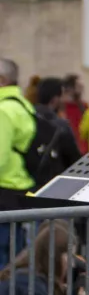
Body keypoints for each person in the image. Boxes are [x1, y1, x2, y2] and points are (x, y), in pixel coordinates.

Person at [0, 58, 35, 268]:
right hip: (19, 187)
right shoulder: (23, 105)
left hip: (4, 189)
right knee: (16, 256)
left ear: (2, 80)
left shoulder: (3, 110)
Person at [34, 77, 83, 180]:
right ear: (55, 99)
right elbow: (74, 159)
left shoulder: (27, 117)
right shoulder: (61, 126)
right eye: (63, 95)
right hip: (52, 178)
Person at [61, 74, 89, 153]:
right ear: (69, 88)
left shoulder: (84, 106)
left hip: (84, 149)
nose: (82, 88)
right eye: (79, 85)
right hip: (68, 148)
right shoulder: (61, 107)